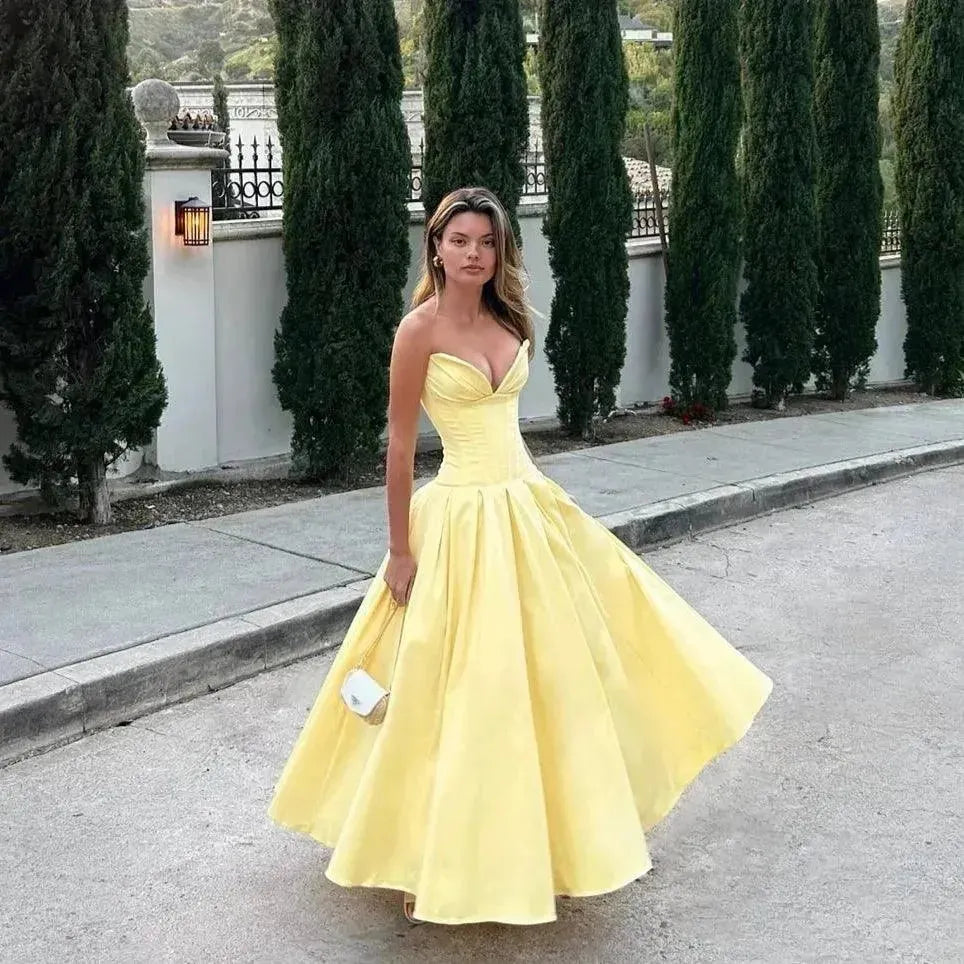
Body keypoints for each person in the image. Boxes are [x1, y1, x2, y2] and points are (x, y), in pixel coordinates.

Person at [268, 186, 773, 926]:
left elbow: (508, 425)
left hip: (525, 505)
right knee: (456, 695)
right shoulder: (418, 332)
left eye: (486, 242)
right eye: (460, 240)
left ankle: (554, 841)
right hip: (458, 520)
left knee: (556, 683)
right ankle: (423, 855)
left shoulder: (511, 320)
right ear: (436, 246)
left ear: (501, 252)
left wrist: (543, 501)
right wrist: (400, 550)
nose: (473, 253)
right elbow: (402, 448)